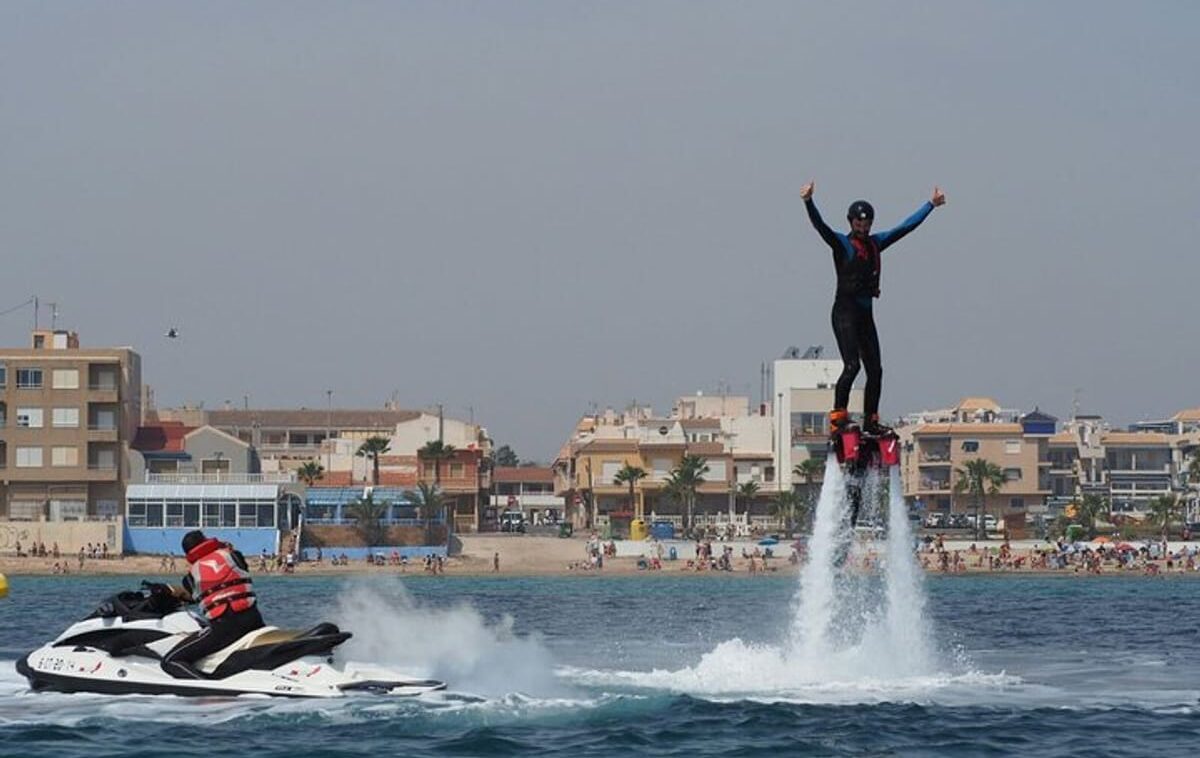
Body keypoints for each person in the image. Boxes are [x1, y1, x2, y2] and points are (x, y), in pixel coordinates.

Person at [800, 181, 946, 435]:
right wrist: (809, 201)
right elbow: (820, 227)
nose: (864, 228)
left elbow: (905, 227)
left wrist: (930, 205)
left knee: (876, 371)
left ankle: (871, 420)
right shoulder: (842, 244)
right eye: (859, 224)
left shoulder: (876, 244)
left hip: (865, 316)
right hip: (844, 313)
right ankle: (838, 417)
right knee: (852, 366)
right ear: (851, 222)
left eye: (867, 224)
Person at [160, 530, 264, 679]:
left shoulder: (190, 577)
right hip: (253, 619)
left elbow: (194, 596)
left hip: (224, 628)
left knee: (170, 661)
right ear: (205, 541)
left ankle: (206, 687)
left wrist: (168, 590)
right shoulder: (233, 556)